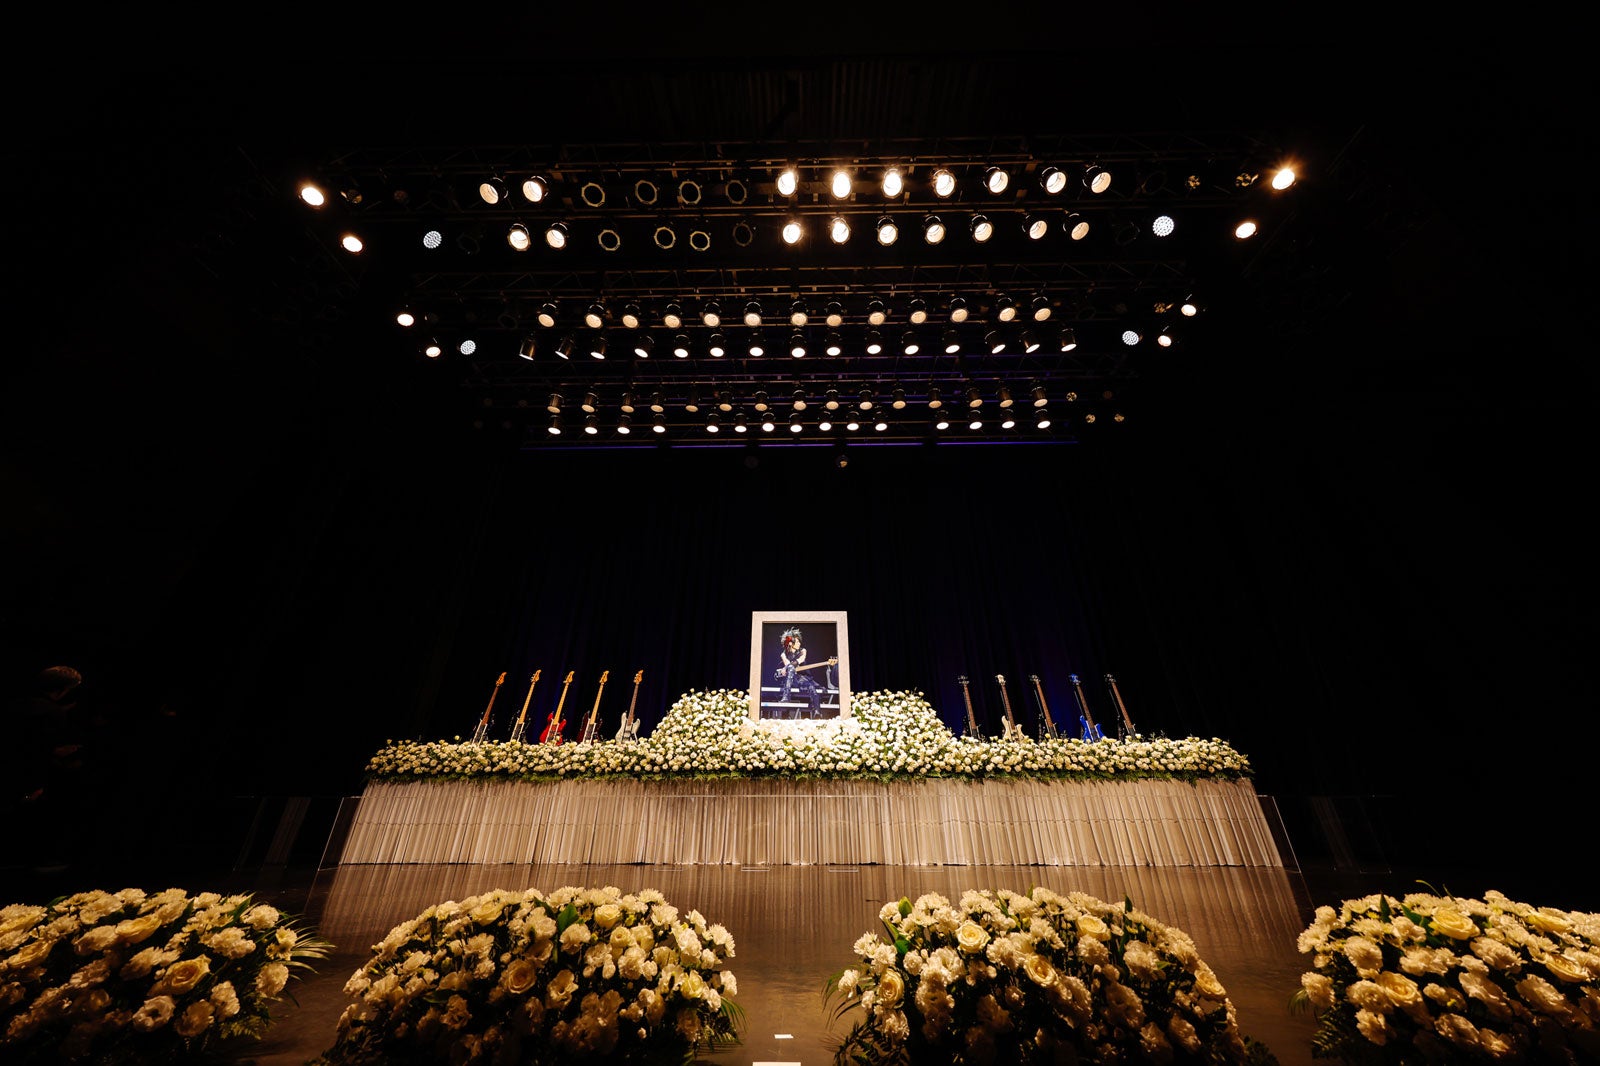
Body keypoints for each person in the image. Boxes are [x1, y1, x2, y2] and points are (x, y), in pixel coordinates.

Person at [773, 627, 833, 719]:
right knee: (790, 668)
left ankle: (817, 712)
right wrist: (787, 667)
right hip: (790, 679)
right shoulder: (783, 654)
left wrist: (787, 667)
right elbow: (789, 666)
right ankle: (786, 698)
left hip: (801, 678)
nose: (799, 643)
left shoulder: (802, 651)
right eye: (797, 642)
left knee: (812, 688)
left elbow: (801, 659)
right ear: (790, 643)